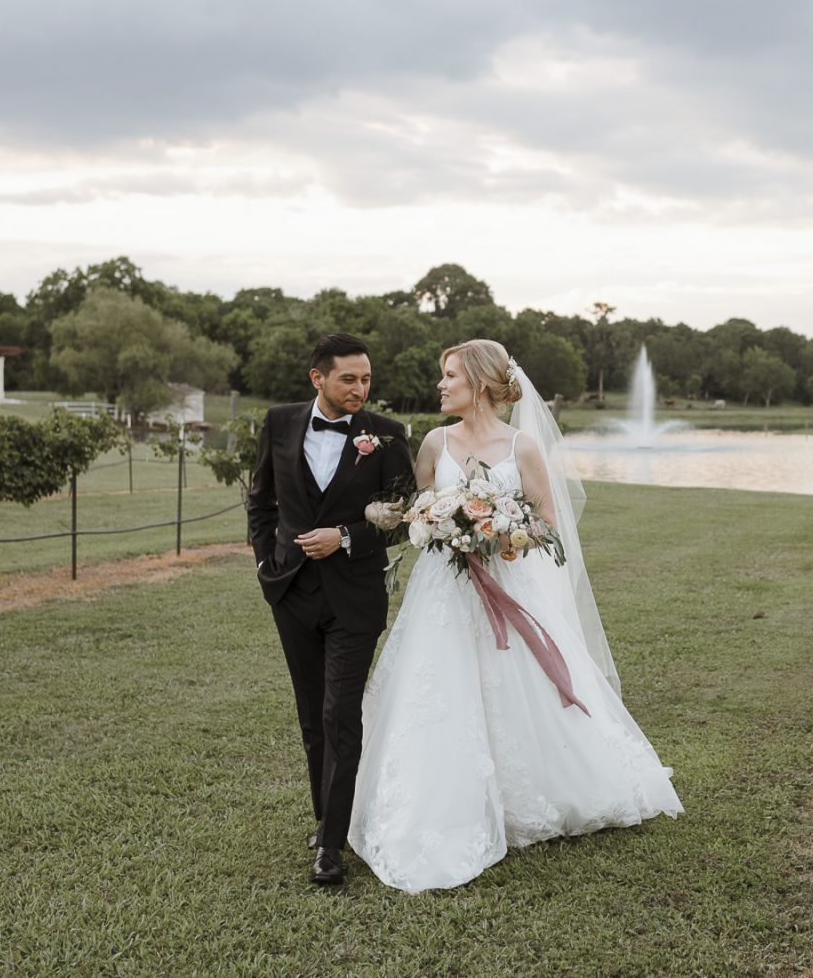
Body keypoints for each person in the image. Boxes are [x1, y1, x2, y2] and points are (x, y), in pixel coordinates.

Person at [348, 339, 681, 893]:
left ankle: (540, 791)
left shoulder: (522, 446)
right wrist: (436, 524)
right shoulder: (434, 443)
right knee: (439, 687)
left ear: (479, 383)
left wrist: (500, 533)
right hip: (442, 593)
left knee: (517, 686)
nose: (441, 385)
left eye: (450, 375)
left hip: (508, 583)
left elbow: (548, 523)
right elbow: (417, 512)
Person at [246, 333, 416, 886]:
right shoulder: (279, 422)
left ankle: (332, 846)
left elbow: (405, 517)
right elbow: (260, 502)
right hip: (291, 592)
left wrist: (343, 537)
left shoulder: (387, 435)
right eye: (349, 379)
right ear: (317, 378)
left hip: (355, 596)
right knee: (311, 713)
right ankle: (326, 819)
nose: (359, 388)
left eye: (366, 379)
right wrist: (265, 563)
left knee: (340, 713)